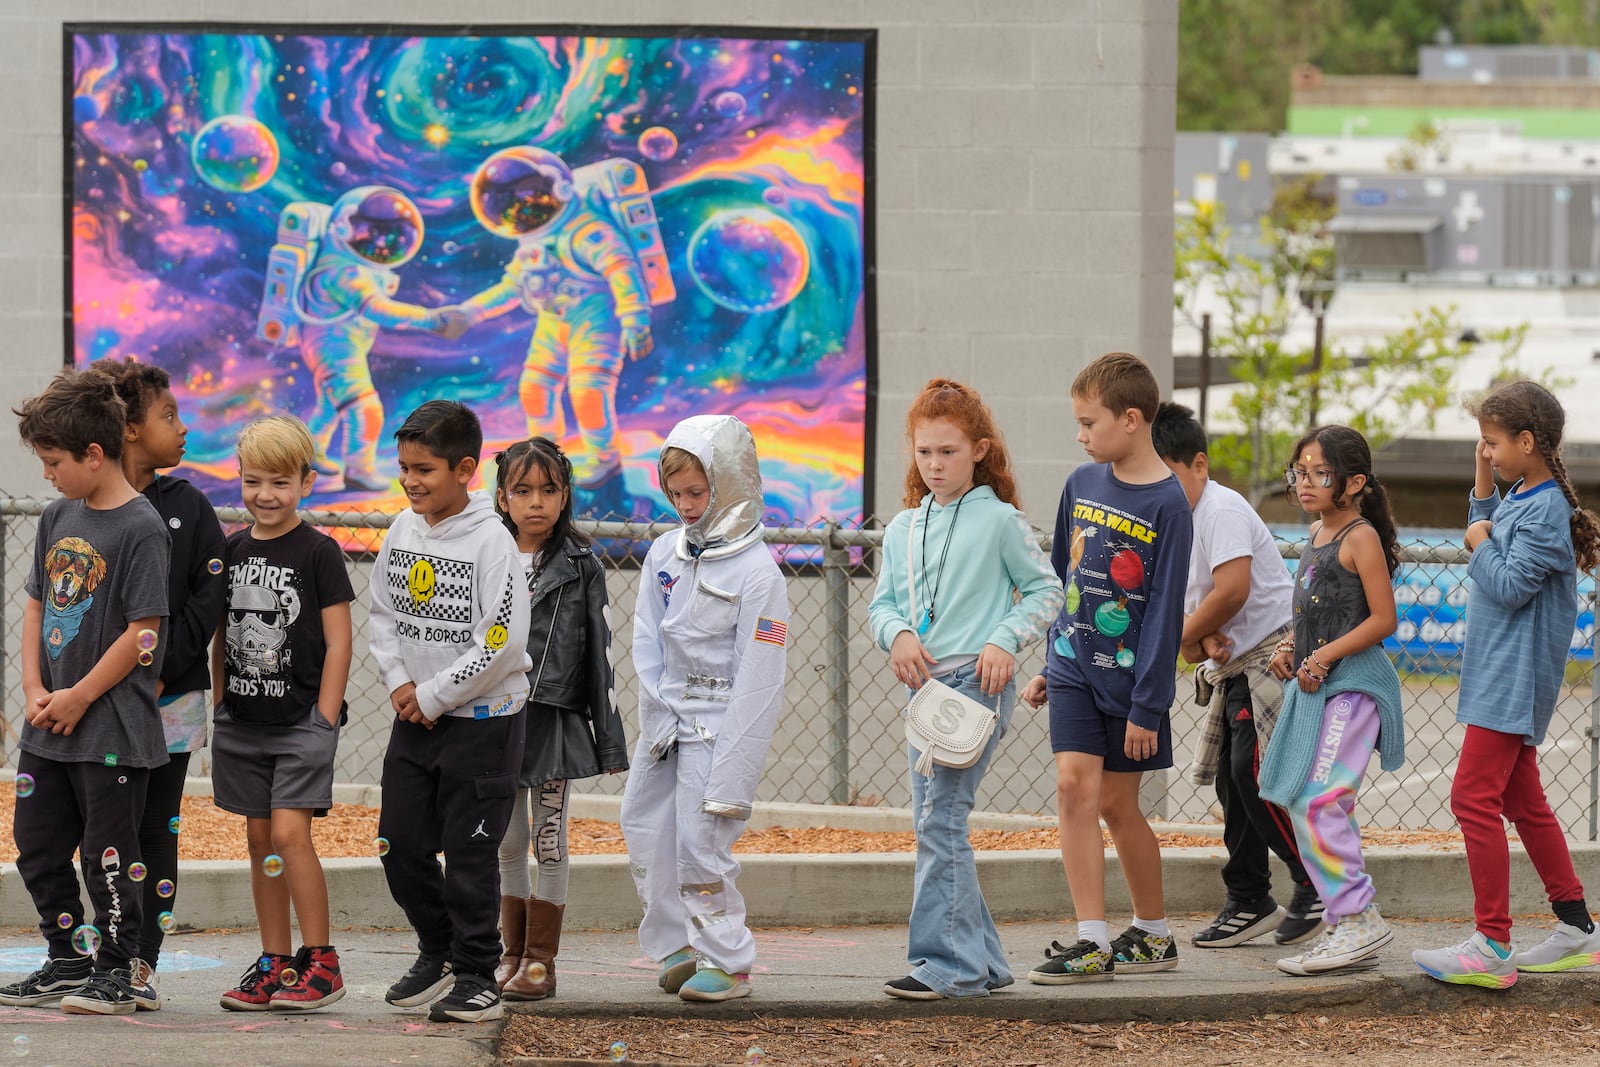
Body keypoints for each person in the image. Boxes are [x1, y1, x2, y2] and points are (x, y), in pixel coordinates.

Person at [867, 379, 1063, 1000]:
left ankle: (947, 966)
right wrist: (896, 633)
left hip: (977, 683)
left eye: (948, 452)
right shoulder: (902, 528)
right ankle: (984, 961)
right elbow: (882, 606)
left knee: (940, 819)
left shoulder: (1001, 520)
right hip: (923, 691)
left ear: (979, 450)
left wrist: (1005, 639)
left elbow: (1046, 591)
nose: (934, 465)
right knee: (935, 819)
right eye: (924, 452)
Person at [1412, 381, 1600, 988]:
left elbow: (1511, 584)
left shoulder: (1543, 510)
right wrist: (1483, 491)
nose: (1486, 450)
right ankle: (1577, 928)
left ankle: (1492, 944)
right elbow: (1488, 528)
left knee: (1471, 798)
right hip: (1501, 673)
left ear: (1527, 441)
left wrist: (1478, 540)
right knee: (1523, 802)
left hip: (1512, 679)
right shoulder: (1523, 493)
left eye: (1493, 443)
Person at [0, 369, 169, 1015]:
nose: (48, 473)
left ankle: (116, 969)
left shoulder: (142, 527)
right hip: (52, 722)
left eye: (54, 461)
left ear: (94, 454)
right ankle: (68, 957)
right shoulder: (57, 515)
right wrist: (38, 687)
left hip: (110, 728)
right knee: (37, 842)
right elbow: (39, 606)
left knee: (108, 856)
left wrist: (80, 695)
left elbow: (145, 632)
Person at [1022, 352, 1193, 985]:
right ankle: (1090, 939)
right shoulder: (1079, 483)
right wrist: (1049, 659)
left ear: (1131, 419)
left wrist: (1149, 704)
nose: (1080, 435)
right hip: (1070, 669)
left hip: (1129, 685)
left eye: (1089, 423)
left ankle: (1152, 932)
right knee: (1073, 788)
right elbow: (1068, 581)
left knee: (1120, 806)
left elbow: (1166, 610)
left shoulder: (1170, 505)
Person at [369, 400, 533, 1023]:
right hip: (414, 719)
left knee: (469, 852)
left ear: (465, 470)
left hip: (483, 725)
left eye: (425, 470)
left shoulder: (493, 541)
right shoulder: (403, 530)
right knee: (399, 843)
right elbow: (383, 614)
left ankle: (477, 973)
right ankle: (438, 948)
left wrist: (434, 695)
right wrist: (400, 685)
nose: (411, 481)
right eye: (404, 468)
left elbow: (502, 643)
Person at [620, 414, 789, 1003]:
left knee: (701, 842)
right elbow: (648, 638)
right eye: (676, 495)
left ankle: (728, 959)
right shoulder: (666, 552)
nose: (686, 505)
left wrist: (733, 770)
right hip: (667, 723)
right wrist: (656, 715)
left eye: (698, 492)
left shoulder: (758, 573)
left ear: (730, 483)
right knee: (642, 827)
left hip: (718, 730)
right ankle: (677, 944)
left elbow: (761, 677)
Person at [1151, 401, 1323, 950]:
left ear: (1199, 465)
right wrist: (1196, 637)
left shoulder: (1219, 509)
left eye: (1169, 475)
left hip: (1272, 656)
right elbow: (1192, 612)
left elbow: (1232, 591)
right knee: (1233, 780)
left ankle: (1317, 884)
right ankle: (1249, 896)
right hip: (1233, 664)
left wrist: (1182, 636)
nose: (1161, 488)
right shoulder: (1173, 521)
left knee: (1257, 774)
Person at [90, 357, 228, 1006]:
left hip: (172, 701)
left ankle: (142, 961)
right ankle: (101, 954)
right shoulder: (92, 506)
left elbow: (208, 594)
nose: (183, 429)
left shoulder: (190, 506)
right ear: (128, 429)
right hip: (104, 704)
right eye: (169, 416)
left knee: (156, 829)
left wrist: (163, 663)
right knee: (105, 830)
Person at [211, 415, 354, 1011]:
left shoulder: (319, 552)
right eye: (252, 481)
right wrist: (219, 701)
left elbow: (341, 641)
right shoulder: (231, 550)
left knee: (291, 834)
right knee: (259, 837)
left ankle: (321, 962)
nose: (265, 495)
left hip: (301, 725)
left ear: (306, 482)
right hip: (241, 724)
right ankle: (274, 962)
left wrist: (323, 719)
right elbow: (220, 633)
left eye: (279, 482)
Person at [1258, 425, 1406, 977]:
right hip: (1321, 687)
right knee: (1304, 800)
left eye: (1320, 473)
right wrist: (1292, 647)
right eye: (1300, 471)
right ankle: (1347, 924)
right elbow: (1318, 616)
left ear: (1355, 482)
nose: (1305, 482)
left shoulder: (1359, 536)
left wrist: (1320, 659)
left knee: (1319, 801)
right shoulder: (1319, 532)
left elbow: (1383, 620)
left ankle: (1358, 919)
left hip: (1355, 688)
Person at [491, 436, 630, 1001]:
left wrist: (606, 735)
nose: (536, 502)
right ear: (501, 498)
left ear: (565, 494)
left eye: (549, 490)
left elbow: (600, 653)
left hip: (552, 719)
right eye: (522, 490)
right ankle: (510, 953)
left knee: (549, 837)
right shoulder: (486, 554)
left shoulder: (580, 563)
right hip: (495, 717)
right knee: (507, 841)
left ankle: (540, 963)